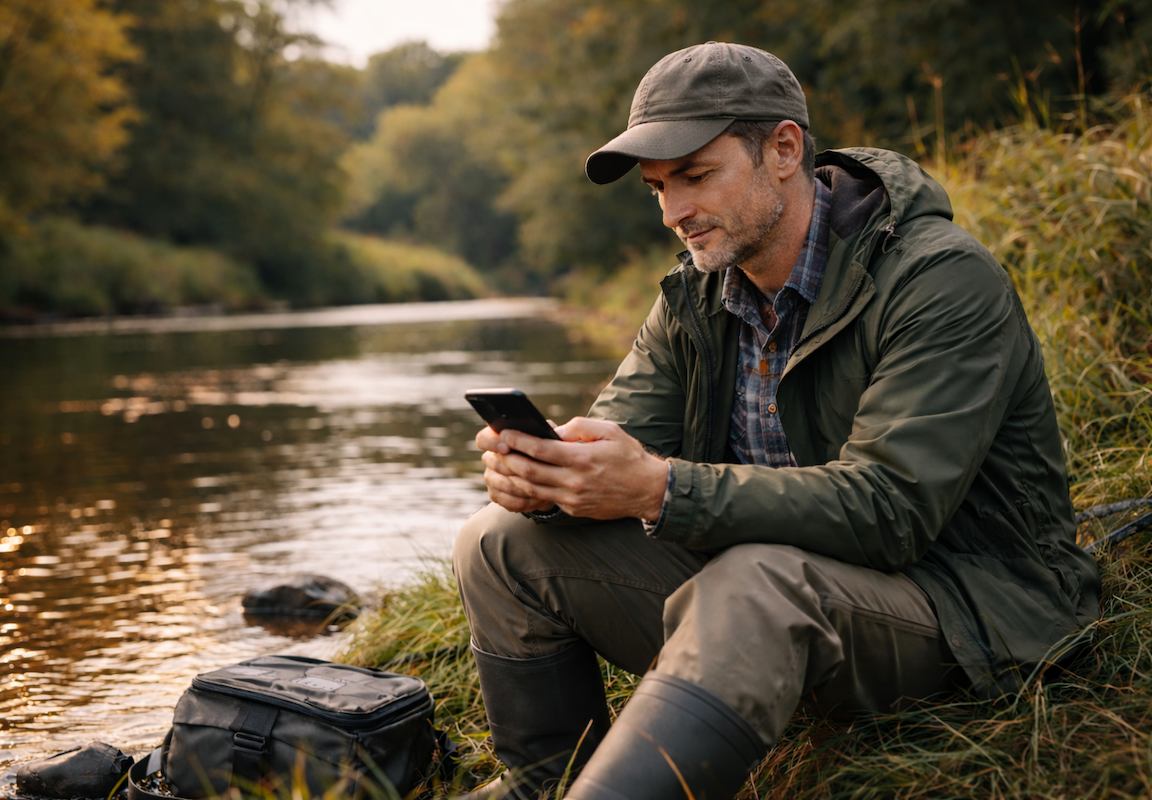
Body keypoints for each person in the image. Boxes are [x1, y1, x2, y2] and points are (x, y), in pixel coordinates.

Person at [451, 42, 1100, 800]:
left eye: (695, 176)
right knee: (498, 542)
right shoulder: (693, 298)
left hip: (967, 610)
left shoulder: (939, 279)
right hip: (774, 610)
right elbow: (619, 438)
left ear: (784, 149)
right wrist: (550, 474)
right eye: (657, 188)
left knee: (757, 581)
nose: (674, 213)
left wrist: (659, 490)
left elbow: (892, 512)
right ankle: (543, 785)